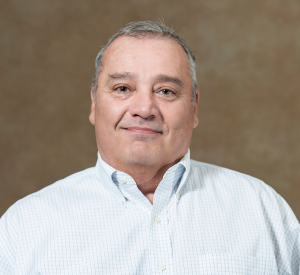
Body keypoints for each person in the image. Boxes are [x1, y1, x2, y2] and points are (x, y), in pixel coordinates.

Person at [0, 21, 299, 275]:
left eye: (166, 91)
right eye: (122, 89)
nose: (144, 108)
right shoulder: (25, 227)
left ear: (194, 109)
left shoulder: (263, 211)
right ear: (94, 103)